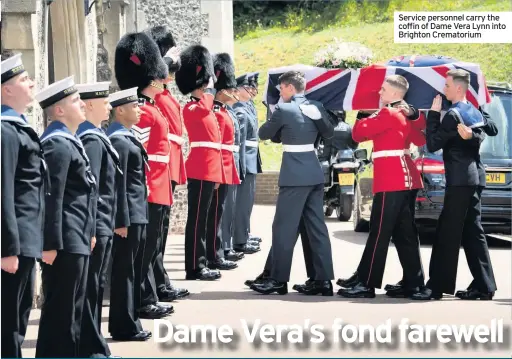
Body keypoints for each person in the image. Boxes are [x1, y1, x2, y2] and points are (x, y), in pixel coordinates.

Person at [337, 75, 427, 299]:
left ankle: (367, 283)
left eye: (384, 89)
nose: (380, 93)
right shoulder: (403, 114)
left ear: (396, 94)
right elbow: (420, 138)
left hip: (392, 179)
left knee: (379, 233)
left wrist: (364, 113)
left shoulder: (388, 112)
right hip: (406, 178)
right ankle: (413, 282)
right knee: (405, 233)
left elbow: (357, 134)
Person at [412, 69, 498, 301]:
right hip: (475, 177)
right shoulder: (472, 110)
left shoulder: (452, 115)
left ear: (459, 88)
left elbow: (432, 144)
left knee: (447, 233)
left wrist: (433, 114)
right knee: (473, 231)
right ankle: (484, 286)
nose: (444, 89)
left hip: (460, 181)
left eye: (447, 86)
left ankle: (436, 286)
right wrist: (471, 136)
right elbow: (484, 133)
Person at [249, 71, 335, 295]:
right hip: (313, 173)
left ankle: (277, 279)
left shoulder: (285, 109)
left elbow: (264, 133)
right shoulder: (315, 106)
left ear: (288, 87)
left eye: (281, 89)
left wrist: (277, 111)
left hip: (294, 174)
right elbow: (329, 132)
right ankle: (322, 280)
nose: (280, 92)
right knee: (316, 228)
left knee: (284, 228)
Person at [35, 76, 97, 357]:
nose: (82, 104)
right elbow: (51, 197)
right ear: (58, 110)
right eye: (75, 101)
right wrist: (49, 244)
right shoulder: (57, 144)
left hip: (77, 238)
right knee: (61, 316)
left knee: (72, 313)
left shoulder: (69, 142)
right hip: (64, 244)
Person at [115, 31, 172, 319]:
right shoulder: (144, 113)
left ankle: (146, 296)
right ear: (151, 79)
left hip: (159, 183)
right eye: (160, 77)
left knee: (150, 248)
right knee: (144, 250)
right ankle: (141, 299)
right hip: (151, 185)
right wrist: (147, 187)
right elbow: (138, 156)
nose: (164, 81)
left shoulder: (150, 108)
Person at [1, 52, 45, 358]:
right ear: (6, 89)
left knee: (19, 319)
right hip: (14, 246)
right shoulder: (5, 131)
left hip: (27, 241)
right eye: (23, 79)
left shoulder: (17, 126)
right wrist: (7, 248)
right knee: (8, 325)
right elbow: (3, 192)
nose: (31, 83)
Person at [144, 25, 190, 301]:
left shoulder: (164, 92)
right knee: (155, 232)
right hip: (160, 163)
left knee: (161, 229)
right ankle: (155, 282)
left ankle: (159, 280)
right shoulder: (152, 92)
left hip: (170, 161)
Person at [106, 87, 153, 341]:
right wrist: (121, 220)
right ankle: (124, 326)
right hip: (129, 218)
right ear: (120, 110)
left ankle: (131, 322)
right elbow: (118, 185)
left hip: (138, 213)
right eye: (134, 106)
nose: (139, 109)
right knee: (124, 272)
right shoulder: (118, 140)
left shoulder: (126, 136)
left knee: (133, 271)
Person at [75, 81, 118, 357]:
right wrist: (93, 227)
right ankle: (91, 348)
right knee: (91, 288)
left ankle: (95, 344)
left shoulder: (96, 135)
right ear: (90, 105)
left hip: (104, 221)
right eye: (104, 101)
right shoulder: (90, 139)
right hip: (97, 222)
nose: (110, 106)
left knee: (97, 285)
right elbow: (92, 187)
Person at [175, 44, 222, 281]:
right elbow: (205, 106)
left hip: (209, 169)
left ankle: (200, 262)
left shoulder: (205, 108)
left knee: (203, 219)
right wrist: (209, 87)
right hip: (199, 168)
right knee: (196, 221)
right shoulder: (192, 108)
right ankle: (194, 266)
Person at [206, 53, 242, 271]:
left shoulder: (225, 111)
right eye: (229, 89)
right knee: (214, 215)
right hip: (221, 167)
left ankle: (218, 252)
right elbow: (216, 146)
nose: (233, 92)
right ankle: (214, 254)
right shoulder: (216, 112)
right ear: (221, 91)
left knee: (219, 212)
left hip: (228, 166)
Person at [232, 74, 262, 254]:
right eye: (248, 87)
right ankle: (239, 239)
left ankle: (244, 234)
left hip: (251, 159)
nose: (252, 91)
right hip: (245, 160)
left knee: (247, 202)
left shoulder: (247, 107)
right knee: (242, 203)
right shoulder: (240, 111)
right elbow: (241, 142)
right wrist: (240, 166)